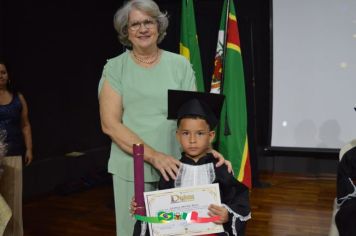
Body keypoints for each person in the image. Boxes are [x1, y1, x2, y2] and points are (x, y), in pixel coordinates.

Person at [98, 1, 231, 235]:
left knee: (175, 231)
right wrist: (154, 156)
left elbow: (194, 118)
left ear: (158, 26)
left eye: (148, 21)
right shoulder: (115, 68)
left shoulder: (180, 65)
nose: (143, 29)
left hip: (176, 168)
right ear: (126, 31)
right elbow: (110, 124)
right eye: (135, 24)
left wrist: (208, 152)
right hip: (132, 167)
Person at [132, 90, 251, 236]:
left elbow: (239, 200)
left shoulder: (219, 169)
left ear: (211, 136)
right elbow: (160, 208)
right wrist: (144, 206)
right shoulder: (172, 170)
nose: (192, 140)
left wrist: (227, 214)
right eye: (186, 133)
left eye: (200, 133)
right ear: (177, 135)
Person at [0, 60, 33, 236]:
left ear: (8, 75)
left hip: (13, 153)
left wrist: (29, 149)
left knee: (13, 199)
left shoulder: (18, 97)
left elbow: (25, 125)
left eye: (3, 72)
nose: (0, 76)